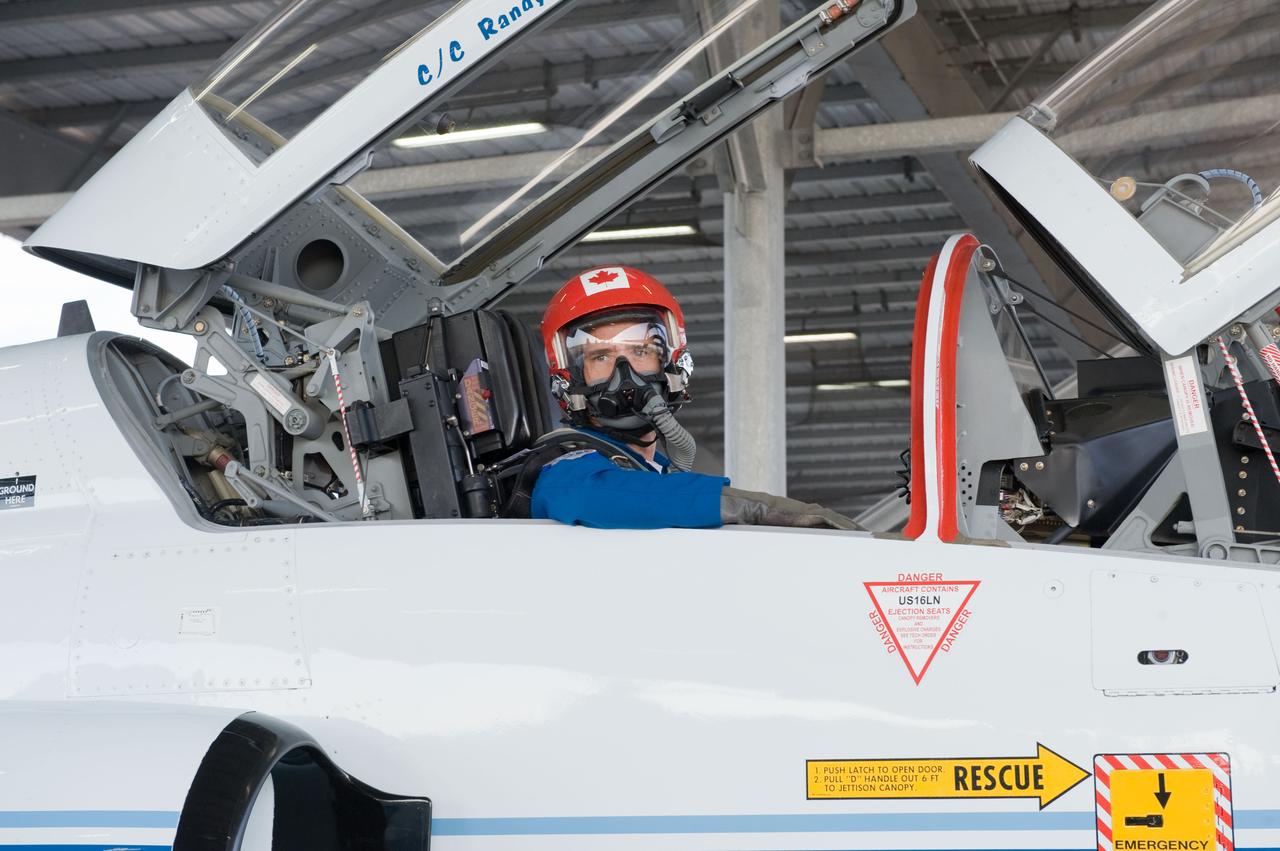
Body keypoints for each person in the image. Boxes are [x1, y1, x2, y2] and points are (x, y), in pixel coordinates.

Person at [529, 265, 859, 531]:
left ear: (672, 361)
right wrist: (750, 507)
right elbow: (601, 495)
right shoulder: (565, 470)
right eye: (601, 357)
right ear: (568, 376)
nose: (625, 374)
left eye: (641, 351)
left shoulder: (657, 472)